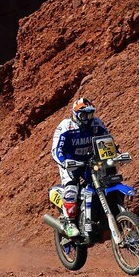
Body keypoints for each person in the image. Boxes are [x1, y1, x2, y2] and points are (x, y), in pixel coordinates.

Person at [51, 97, 111, 237]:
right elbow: (56, 150)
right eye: (84, 115)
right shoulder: (66, 126)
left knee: (103, 182)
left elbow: (108, 141)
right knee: (71, 189)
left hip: (90, 162)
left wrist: (117, 154)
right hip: (71, 164)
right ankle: (69, 223)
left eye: (90, 114)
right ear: (76, 114)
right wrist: (64, 162)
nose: (87, 118)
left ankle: (97, 216)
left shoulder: (96, 123)